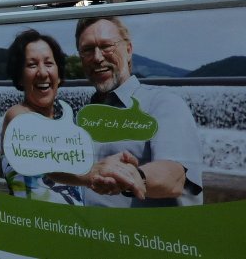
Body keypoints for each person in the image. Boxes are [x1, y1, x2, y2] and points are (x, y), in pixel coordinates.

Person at [74, 16, 203, 207]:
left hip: (143, 236)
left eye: (106, 46)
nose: (97, 57)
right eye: (87, 50)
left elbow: (175, 175)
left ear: (128, 50)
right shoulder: (82, 115)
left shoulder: (163, 104)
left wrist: (135, 176)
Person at [0, 29, 82, 204]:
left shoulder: (68, 120)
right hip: (34, 225)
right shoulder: (17, 117)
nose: (43, 73)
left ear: (59, 75)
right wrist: (97, 174)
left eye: (49, 63)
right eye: (32, 65)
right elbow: (49, 161)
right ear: (20, 78)